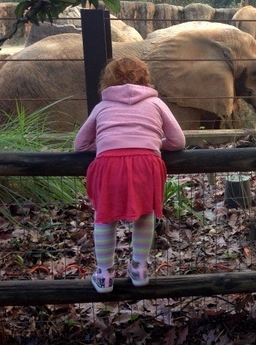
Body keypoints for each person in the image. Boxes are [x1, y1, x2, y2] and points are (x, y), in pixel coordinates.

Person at [74, 57, 186, 293]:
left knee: (104, 216)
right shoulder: (156, 103)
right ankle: (139, 268)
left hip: (108, 165)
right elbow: (178, 141)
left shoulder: (102, 107)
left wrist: (108, 144)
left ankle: (104, 275)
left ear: (107, 82)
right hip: (147, 164)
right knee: (145, 213)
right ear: (146, 79)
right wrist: (152, 144)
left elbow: (80, 146)